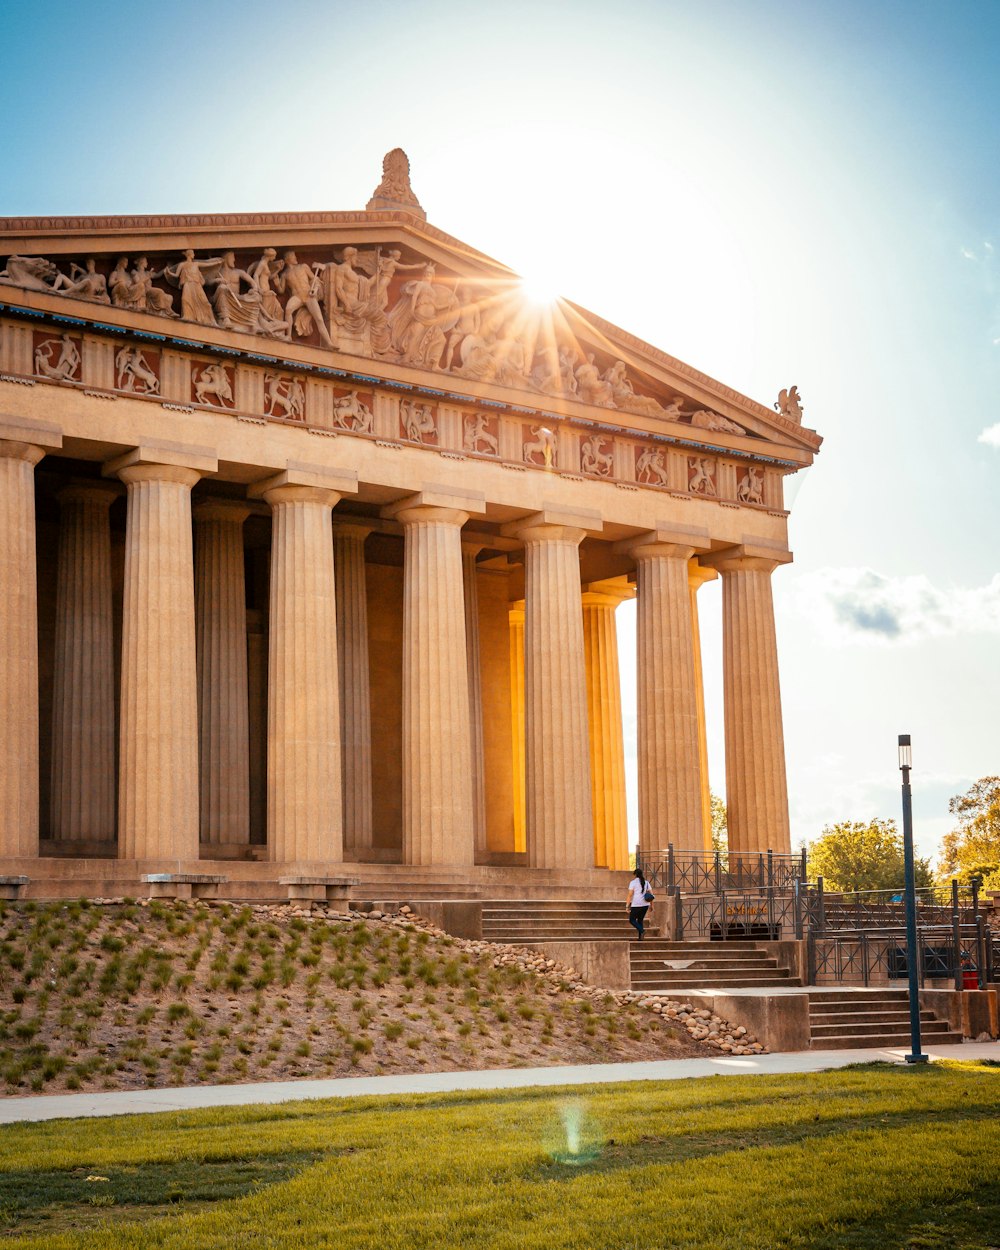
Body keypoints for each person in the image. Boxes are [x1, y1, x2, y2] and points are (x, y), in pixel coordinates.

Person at [626, 868, 651, 941]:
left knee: (632, 920)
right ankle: (640, 937)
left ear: (635, 875)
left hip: (636, 904)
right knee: (640, 920)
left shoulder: (633, 883)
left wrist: (627, 906)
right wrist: (652, 905)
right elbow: (651, 894)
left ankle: (642, 931)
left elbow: (630, 895)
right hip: (645, 904)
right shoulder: (646, 882)